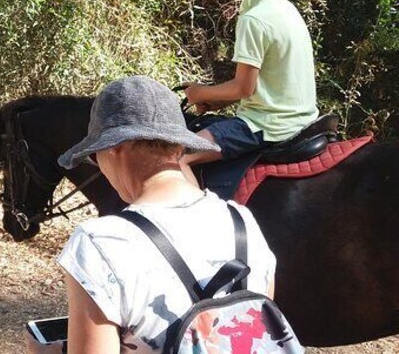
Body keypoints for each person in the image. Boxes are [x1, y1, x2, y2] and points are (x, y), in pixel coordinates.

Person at [25, 76, 276, 354]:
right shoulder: (242, 222)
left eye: (94, 156)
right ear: (179, 146)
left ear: (114, 148)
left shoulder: (99, 243)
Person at [182, 0, 319, 167]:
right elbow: (261, 87)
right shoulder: (286, 10)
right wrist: (217, 99)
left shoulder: (255, 17)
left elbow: (243, 88)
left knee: (175, 159)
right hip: (298, 123)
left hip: (266, 127)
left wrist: (199, 92)